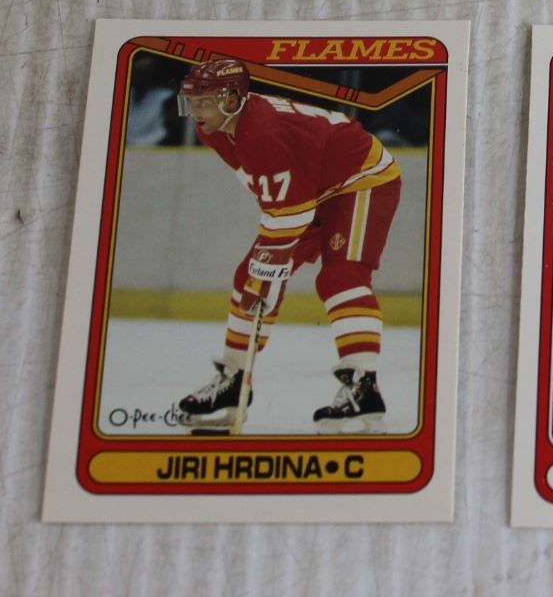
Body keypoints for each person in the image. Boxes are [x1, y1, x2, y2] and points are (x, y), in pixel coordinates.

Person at [169, 57, 403, 432]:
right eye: (191, 102)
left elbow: (289, 210)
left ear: (232, 99)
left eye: (204, 102)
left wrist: (271, 265)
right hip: (310, 188)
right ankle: (234, 381)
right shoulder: (212, 130)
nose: (195, 112)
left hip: (359, 178)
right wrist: (266, 269)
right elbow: (276, 196)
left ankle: (363, 388)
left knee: (341, 277)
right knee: (249, 278)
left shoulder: (261, 130)